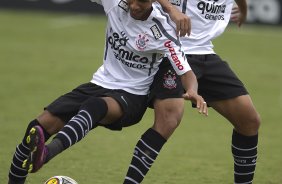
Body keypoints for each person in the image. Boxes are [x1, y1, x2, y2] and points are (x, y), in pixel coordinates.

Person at [7, 0, 208, 183]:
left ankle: (47, 154)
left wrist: (192, 91)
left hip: (132, 95)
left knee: (95, 106)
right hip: (99, 83)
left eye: (142, 2)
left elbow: (186, 71)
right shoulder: (114, 4)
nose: (135, 5)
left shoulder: (162, 31)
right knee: (36, 127)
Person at [123, 0, 261, 184]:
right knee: (169, 120)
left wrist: (243, 11)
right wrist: (171, 9)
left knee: (249, 121)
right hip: (171, 50)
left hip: (206, 53)